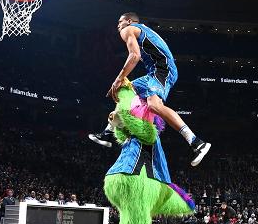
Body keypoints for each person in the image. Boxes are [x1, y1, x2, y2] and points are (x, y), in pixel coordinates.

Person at [88, 12, 211, 167]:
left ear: (129, 21)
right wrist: (120, 82)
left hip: (162, 70)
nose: (118, 25)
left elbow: (134, 56)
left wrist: (118, 78)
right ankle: (107, 133)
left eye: (120, 22)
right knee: (123, 89)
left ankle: (197, 142)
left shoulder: (128, 30)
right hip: (155, 71)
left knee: (154, 105)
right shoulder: (142, 30)